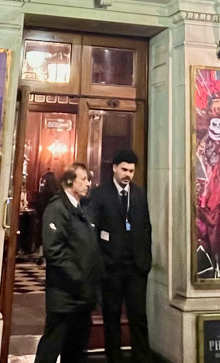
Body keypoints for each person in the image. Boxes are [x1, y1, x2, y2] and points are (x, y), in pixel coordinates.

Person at [91, 149, 152, 363]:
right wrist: (102, 261)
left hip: (136, 266)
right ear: (114, 168)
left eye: (132, 171)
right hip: (111, 267)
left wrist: (146, 260)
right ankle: (114, 357)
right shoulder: (100, 194)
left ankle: (141, 357)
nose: (128, 174)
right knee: (112, 315)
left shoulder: (139, 193)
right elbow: (93, 231)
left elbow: (145, 226)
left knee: (139, 316)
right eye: (124, 169)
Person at [37, 162, 102, 363]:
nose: (88, 184)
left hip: (82, 295)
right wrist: (79, 277)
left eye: (88, 179)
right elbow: (54, 250)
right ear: (69, 181)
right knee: (52, 345)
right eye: (83, 179)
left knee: (76, 347)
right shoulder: (57, 208)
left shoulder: (83, 208)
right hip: (65, 295)